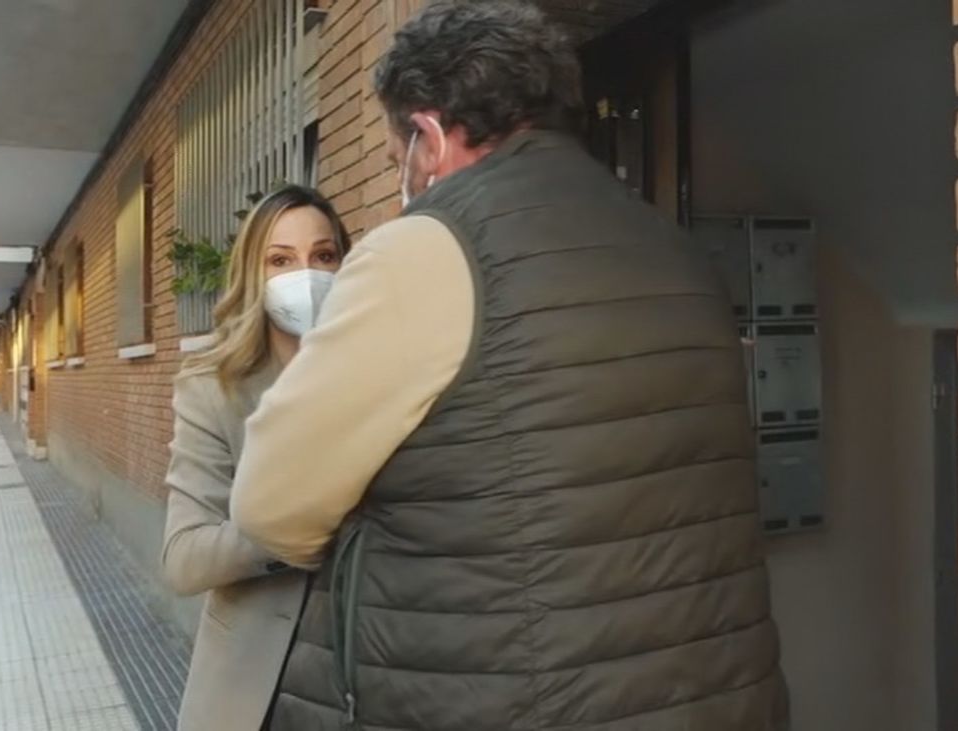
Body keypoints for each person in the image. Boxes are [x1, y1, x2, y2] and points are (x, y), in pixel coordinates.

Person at [229, 1, 789, 729]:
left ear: (426, 137)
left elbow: (273, 509)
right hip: (716, 695)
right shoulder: (672, 246)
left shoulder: (426, 248)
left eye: (395, 154)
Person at [161, 184, 352, 730]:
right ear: (254, 274)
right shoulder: (213, 388)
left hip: (374, 669)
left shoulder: (381, 376)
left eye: (323, 256)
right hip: (262, 687)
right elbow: (185, 557)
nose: (306, 274)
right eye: (280, 260)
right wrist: (299, 528)